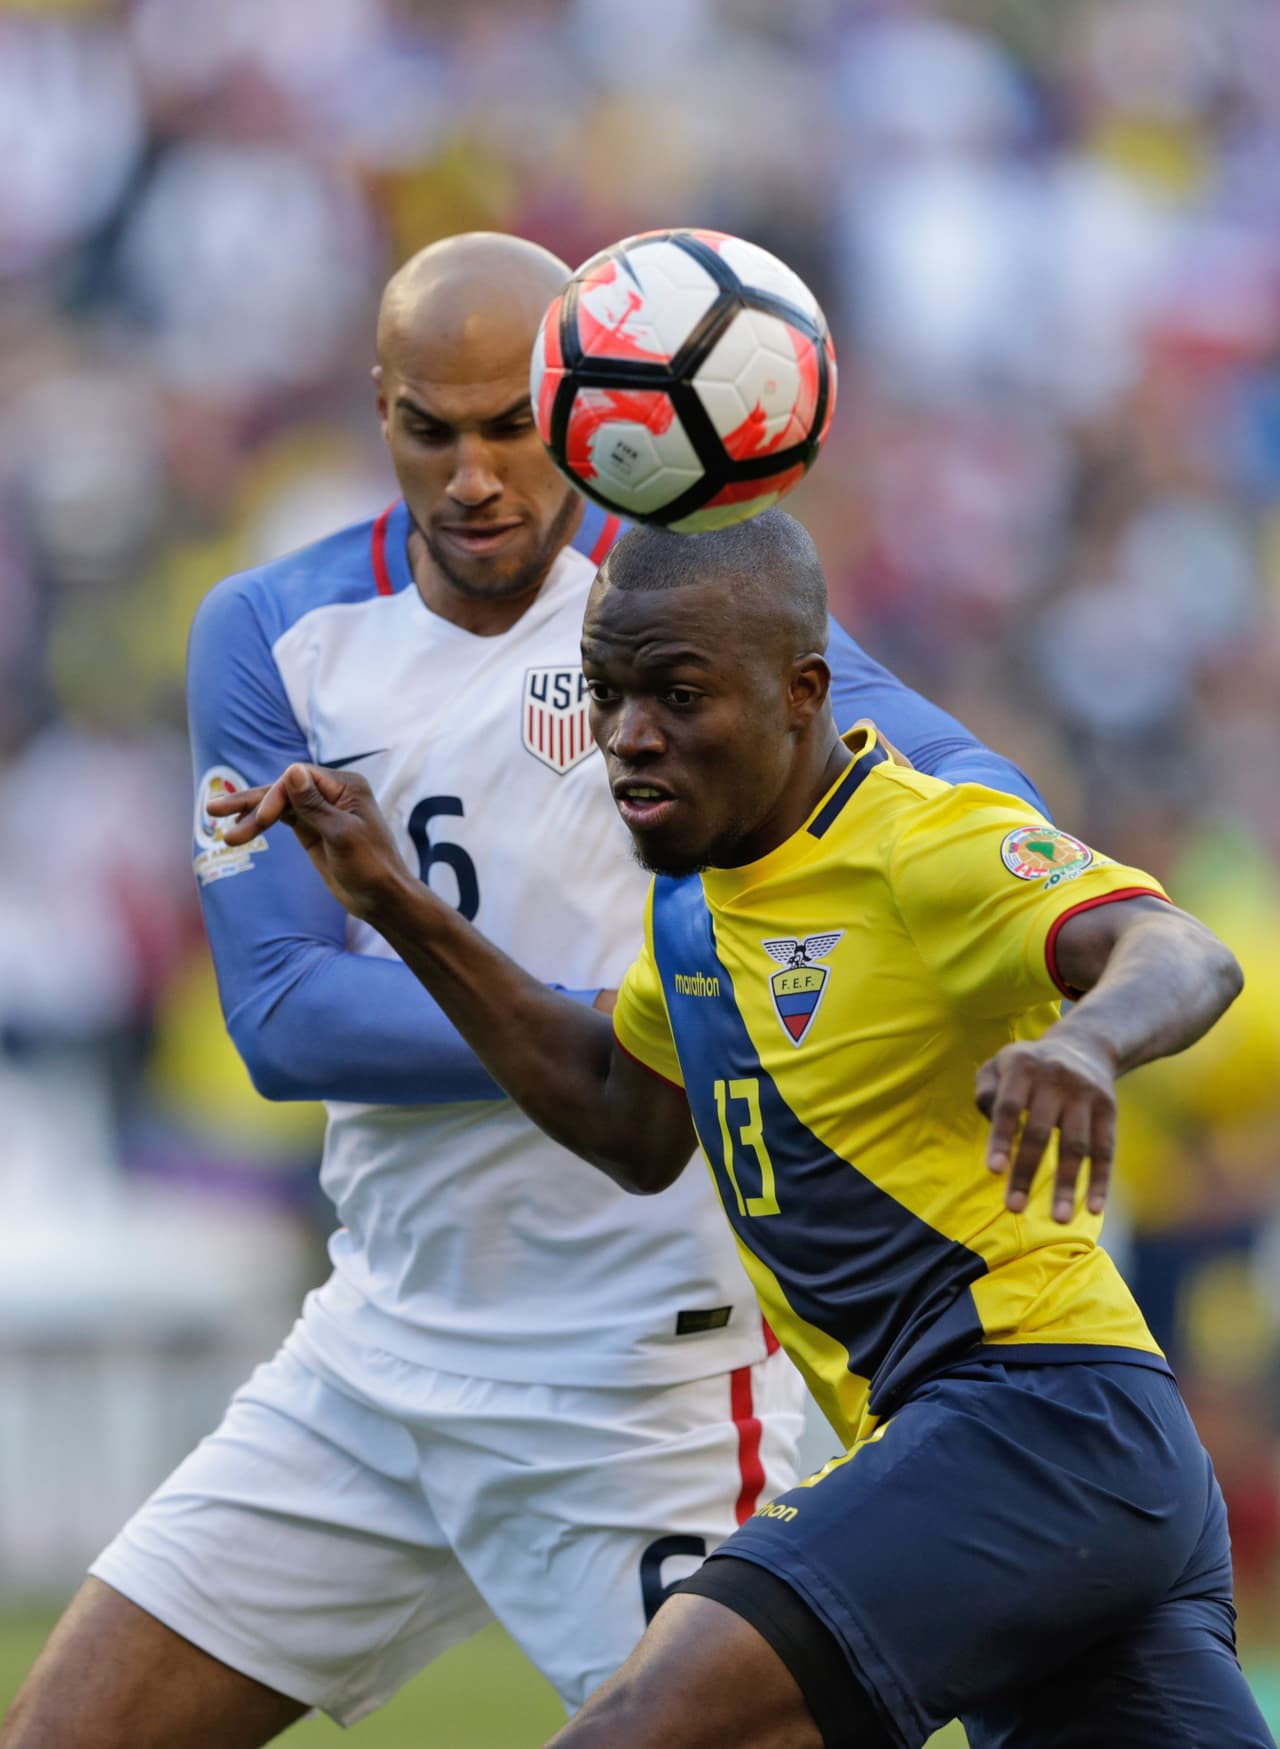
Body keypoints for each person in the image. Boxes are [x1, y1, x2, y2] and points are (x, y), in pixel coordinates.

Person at [1, 238, 1046, 1749]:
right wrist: (628, 1025)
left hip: (646, 1371)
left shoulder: (682, 599)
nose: (476, 474)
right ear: (379, 408)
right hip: (375, 1348)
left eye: (512, 425)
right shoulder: (271, 628)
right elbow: (285, 1014)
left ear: (578, 405)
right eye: (433, 426)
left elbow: (968, 784)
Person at [207, 509, 1272, 1749]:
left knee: (639, 1733)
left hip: (1035, 1414)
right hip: (1031, 1465)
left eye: (676, 695)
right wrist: (394, 899)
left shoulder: (916, 840)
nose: (627, 738)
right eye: (604, 696)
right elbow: (625, 1118)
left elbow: (1178, 948)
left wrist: (1085, 1042)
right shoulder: (689, 908)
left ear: (798, 692)